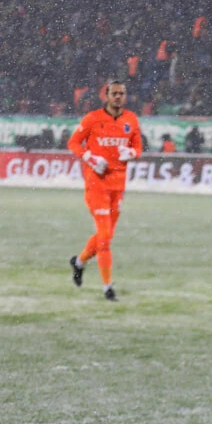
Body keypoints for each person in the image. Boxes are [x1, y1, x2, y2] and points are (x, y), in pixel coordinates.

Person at [66, 79, 142, 301]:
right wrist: (89, 157)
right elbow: (73, 143)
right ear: (106, 96)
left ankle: (79, 262)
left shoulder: (131, 119)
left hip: (118, 185)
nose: (118, 97)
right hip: (96, 184)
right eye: (114, 93)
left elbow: (138, 147)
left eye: (121, 93)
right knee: (105, 237)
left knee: (104, 236)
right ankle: (107, 287)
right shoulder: (92, 118)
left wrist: (131, 153)